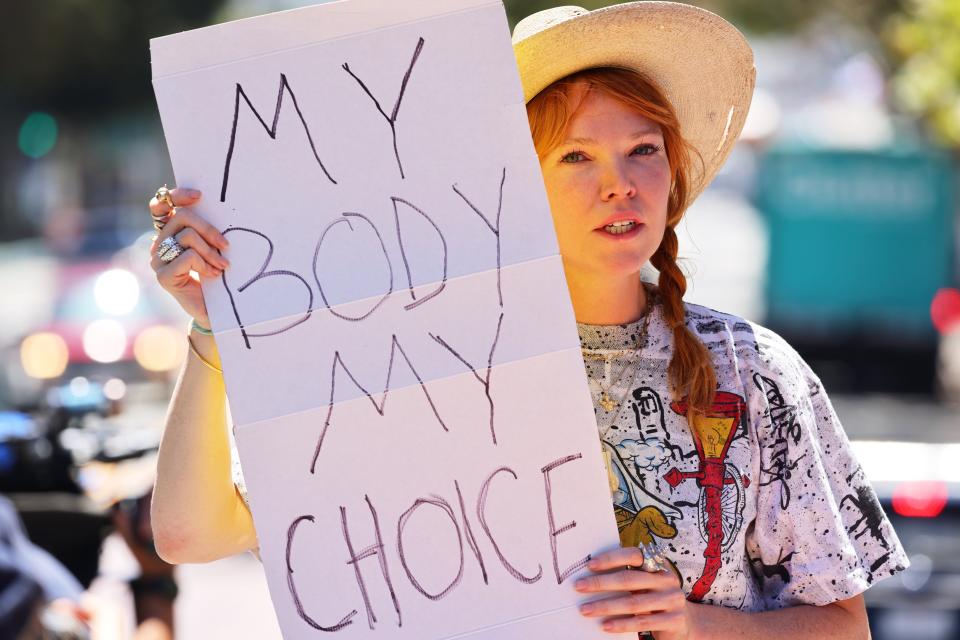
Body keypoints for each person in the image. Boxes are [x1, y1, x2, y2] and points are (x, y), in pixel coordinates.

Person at [147, 2, 908, 637]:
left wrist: (692, 623)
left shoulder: (752, 368)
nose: (620, 186)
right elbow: (191, 533)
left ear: (673, 170)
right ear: (510, 181)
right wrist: (214, 327)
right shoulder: (417, 355)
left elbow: (844, 625)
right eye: (576, 157)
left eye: (643, 149)